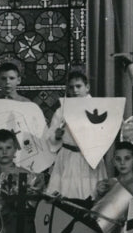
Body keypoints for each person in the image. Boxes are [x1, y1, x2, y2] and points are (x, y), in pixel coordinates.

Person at [44, 70, 108, 200]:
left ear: (87, 87)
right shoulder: (61, 110)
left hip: (90, 158)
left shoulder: (98, 107)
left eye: (78, 86)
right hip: (68, 157)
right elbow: (51, 136)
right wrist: (57, 135)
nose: (75, 90)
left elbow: (105, 133)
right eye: (71, 87)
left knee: (90, 194)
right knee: (65, 196)